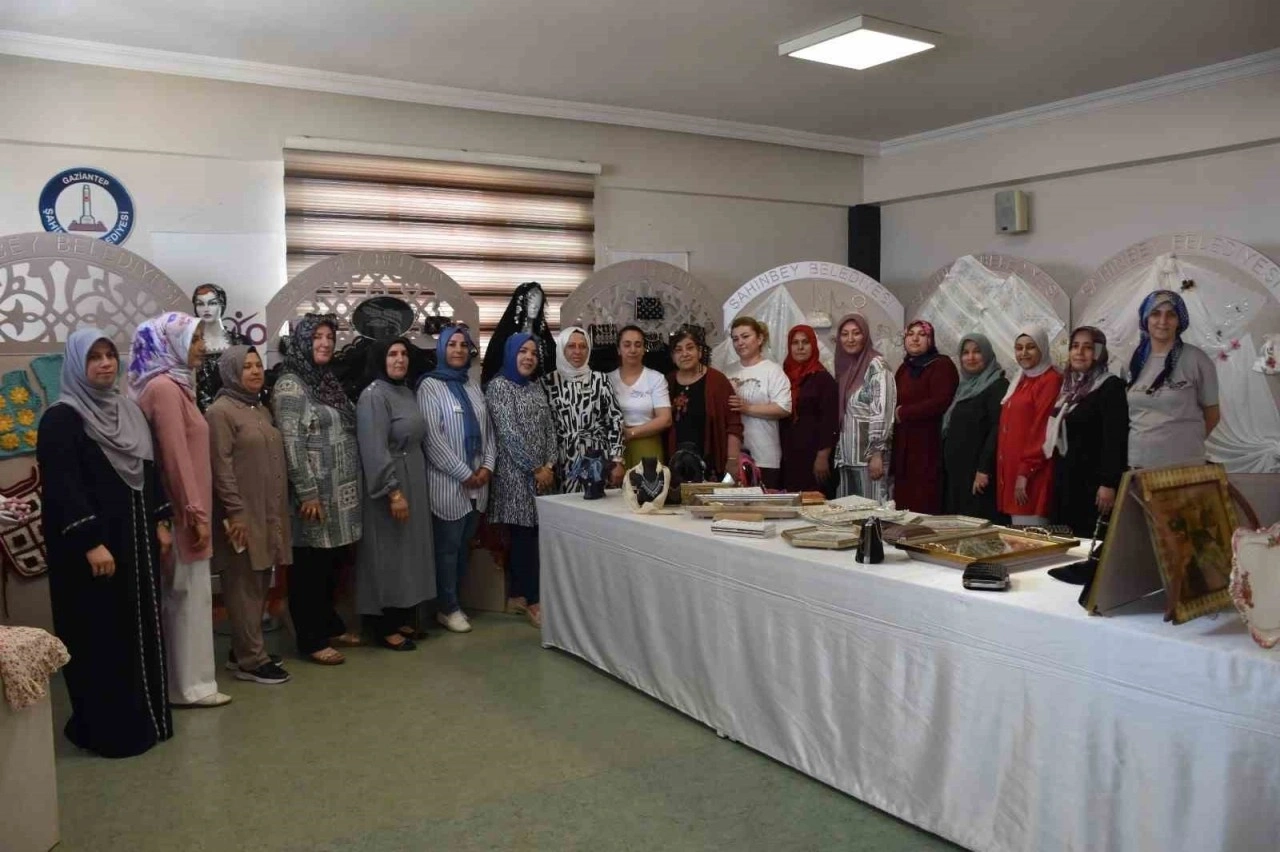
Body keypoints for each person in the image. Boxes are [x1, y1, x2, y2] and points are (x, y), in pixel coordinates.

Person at [38, 329, 173, 756]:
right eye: (93, 357)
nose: (104, 364)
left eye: (110, 355)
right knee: (101, 636)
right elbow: (63, 488)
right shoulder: (62, 419)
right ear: (77, 366)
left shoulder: (129, 412)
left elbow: (150, 471)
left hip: (136, 544)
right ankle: (107, 730)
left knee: (139, 631)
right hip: (94, 554)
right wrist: (89, 541)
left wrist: (160, 519)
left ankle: (148, 719)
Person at [128, 312, 230, 707]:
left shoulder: (175, 385)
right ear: (169, 344)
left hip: (188, 510)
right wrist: (194, 514)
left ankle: (192, 682)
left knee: (190, 596)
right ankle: (189, 687)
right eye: (194, 339)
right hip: (182, 513)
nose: (202, 347)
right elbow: (174, 458)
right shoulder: (164, 390)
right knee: (186, 597)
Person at [272, 314, 363, 666]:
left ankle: (328, 624)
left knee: (330, 564)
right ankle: (310, 639)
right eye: (317, 337)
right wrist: (308, 492)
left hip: (340, 495)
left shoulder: (325, 380)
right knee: (309, 568)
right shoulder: (291, 385)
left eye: (329, 337)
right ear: (302, 342)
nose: (325, 343)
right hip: (314, 496)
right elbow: (291, 443)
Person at [206, 345, 292, 684]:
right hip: (241, 514)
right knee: (242, 583)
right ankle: (251, 661)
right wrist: (235, 512)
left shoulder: (260, 408)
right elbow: (220, 467)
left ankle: (242, 650)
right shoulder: (220, 412)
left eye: (258, 365)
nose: (255, 371)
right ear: (230, 372)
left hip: (266, 510)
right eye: (246, 367)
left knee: (258, 580)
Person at [355, 338, 435, 650]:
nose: (399, 360)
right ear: (381, 359)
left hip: (412, 473)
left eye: (403, 354)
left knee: (406, 552)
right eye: (392, 354)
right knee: (386, 552)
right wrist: (393, 492)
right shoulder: (373, 395)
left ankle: (401, 614)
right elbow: (374, 448)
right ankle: (382, 625)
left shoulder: (405, 391)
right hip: (390, 483)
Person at [418, 326, 495, 634]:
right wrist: (464, 474)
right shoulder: (429, 387)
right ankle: (446, 607)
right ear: (442, 350)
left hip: (479, 484)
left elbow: (488, 431)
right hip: (449, 484)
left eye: (464, 345)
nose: (459, 350)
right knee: (447, 549)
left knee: (464, 547)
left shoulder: (472, 384)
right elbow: (432, 439)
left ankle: (455, 602)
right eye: (452, 344)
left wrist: (487, 467)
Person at [485, 333, 559, 629]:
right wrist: (535, 468)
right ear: (511, 353)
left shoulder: (535, 386)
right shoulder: (499, 387)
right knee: (524, 537)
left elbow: (550, 427)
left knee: (534, 535)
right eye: (523, 351)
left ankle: (518, 595)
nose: (529, 357)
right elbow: (508, 433)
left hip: (542, 476)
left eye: (533, 353)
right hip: (515, 476)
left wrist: (549, 465)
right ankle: (533, 601)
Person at [1046, 327, 1129, 537]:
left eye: (1088, 347)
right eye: (1075, 346)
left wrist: (1108, 483)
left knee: (1088, 546)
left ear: (1099, 352)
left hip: (1093, 485)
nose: (1079, 352)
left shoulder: (1110, 386)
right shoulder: (1068, 387)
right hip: (1067, 480)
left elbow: (1115, 438)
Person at [1126, 289, 1221, 468]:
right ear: (1145, 318)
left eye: (1171, 315)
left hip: (1184, 466)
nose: (1163, 321)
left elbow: (1213, 414)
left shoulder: (1197, 359)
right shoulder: (1134, 361)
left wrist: (1184, 444)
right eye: (1155, 314)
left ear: (1179, 321)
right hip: (1139, 464)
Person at [996, 326, 1063, 525]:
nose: (1024, 353)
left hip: (1033, 473)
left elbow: (1042, 429)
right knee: (1017, 534)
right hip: (1013, 472)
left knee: (1030, 536)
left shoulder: (1051, 379)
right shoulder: (1021, 378)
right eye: (1019, 348)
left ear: (1042, 347)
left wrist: (1025, 472)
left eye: (1031, 347)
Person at [544, 326, 625, 490]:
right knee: (566, 504)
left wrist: (617, 460)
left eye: (583, 346)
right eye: (571, 346)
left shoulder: (600, 380)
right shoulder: (548, 382)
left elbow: (615, 419)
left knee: (597, 502)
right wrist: (547, 465)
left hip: (598, 456)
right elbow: (544, 427)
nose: (577, 351)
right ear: (561, 349)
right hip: (562, 460)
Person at [892, 320, 959, 514]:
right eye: (910, 334)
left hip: (928, 447)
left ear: (931, 340)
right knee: (903, 509)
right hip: (903, 449)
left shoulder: (941, 365)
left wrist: (904, 412)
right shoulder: (904, 368)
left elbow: (941, 401)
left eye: (922, 334)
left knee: (924, 505)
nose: (915, 338)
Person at [941, 333, 1009, 522]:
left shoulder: (998, 385)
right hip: (958, 473)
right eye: (966, 352)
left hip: (978, 475)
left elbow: (998, 429)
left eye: (977, 351)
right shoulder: (964, 387)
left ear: (987, 354)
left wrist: (984, 469)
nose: (970, 357)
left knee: (977, 526)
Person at [664, 325, 743, 482]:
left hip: (711, 460)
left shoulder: (717, 381)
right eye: (678, 350)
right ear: (673, 357)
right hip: (675, 461)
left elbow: (734, 423)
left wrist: (733, 459)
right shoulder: (667, 382)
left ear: (699, 352)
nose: (685, 354)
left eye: (690, 348)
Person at [831, 314, 896, 502]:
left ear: (865, 335)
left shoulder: (877, 366)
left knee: (873, 512)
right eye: (845, 334)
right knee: (848, 512)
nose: (850, 339)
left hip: (869, 460)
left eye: (856, 333)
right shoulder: (846, 368)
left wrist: (877, 454)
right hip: (848, 459)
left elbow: (882, 412)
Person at [724, 317, 792, 488]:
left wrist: (747, 408)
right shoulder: (727, 371)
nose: (740, 342)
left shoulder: (773, 371)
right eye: (735, 339)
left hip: (764, 456)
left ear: (760, 339)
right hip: (733, 456)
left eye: (745, 336)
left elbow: (784, 408)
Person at [778, 324, 838, 494]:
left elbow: (830, 421)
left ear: (813, 345)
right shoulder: (782, 376)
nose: (800, 347)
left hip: (814, 455)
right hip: (789, 454)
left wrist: (823, 456)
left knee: (815, 501)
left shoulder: (823, 378)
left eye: (805, 342)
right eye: (795, 343)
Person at [608, 325, 672, 468]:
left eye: (638, 345)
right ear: (619, 349)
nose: (633, 350)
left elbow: (665, 419)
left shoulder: (656, 378)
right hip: (615, 447)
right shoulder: (607, 380)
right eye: (627, 345)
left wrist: (631, 433)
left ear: (644, 349)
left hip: (648, 443)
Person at [481, 281, 557, 386]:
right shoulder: (504, 337)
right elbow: (493, 366)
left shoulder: (544, 339)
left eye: (538, 303)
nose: (535, 306)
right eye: (530, 301)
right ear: (520, 303)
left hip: (539, 390)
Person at [191, 283, 248, 412]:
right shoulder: (190, 344)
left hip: (237, 411)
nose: (206, 309)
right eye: (200, 304)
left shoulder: (240, 342)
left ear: (222, 305)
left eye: (212, 303)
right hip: (200, 413)